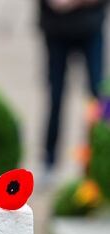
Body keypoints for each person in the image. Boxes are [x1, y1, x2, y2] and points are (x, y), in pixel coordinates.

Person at [39, 0, 108, 171]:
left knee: (97, 98)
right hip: (56, 28)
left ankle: (98, 162)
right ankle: (49, 160)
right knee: (55, 97)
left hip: (89, 26)